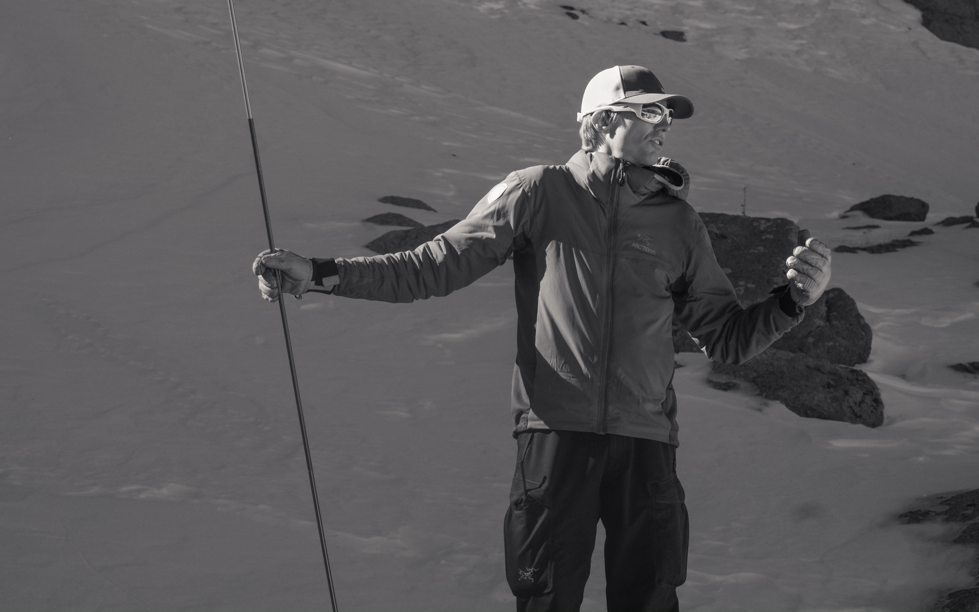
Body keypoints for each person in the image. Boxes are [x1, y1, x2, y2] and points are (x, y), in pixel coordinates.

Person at [252, 65, 832, 612]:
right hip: (557, 435)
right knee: (548, 598)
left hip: (646, 442)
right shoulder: (536, 193)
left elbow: (726, 339)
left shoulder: (679, 223)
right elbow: (434, 264)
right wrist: (323, 273)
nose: (665, 128)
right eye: (651, 114)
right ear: (604, 123)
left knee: (652, 599)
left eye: (668, 118)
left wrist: (792, 302)